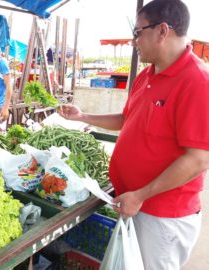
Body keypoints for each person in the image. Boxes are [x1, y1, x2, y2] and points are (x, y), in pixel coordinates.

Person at [59, 0, 209, 269]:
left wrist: (141, 194)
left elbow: (199, 159)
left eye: (137, 32)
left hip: (162, 217)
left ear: (162, 31)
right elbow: (127, 119)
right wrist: (83, 117)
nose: (133, 41)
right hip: (134, 204)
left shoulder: (197, 81)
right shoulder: (147, 74)